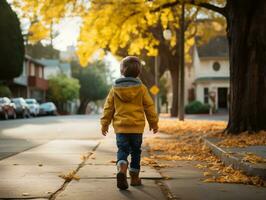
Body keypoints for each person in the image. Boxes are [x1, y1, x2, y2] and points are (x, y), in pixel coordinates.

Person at [100, 56, 158, 190]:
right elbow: (149, 106)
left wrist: (104, 124)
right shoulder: (141, 88)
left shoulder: (115, 89)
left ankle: (122, 167)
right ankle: (134, 177)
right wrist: (153, 123)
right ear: (138, 73)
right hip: (136, 128)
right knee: (136, 152)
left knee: (122, 150)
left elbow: (108, 107)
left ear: (122, 71)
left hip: (121, 128)